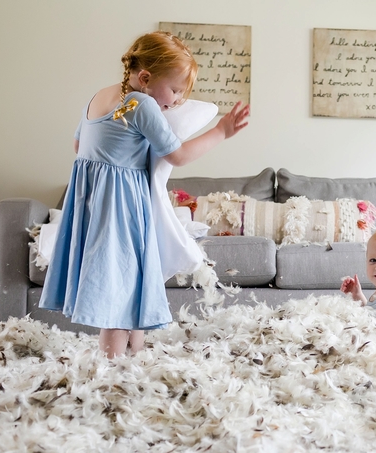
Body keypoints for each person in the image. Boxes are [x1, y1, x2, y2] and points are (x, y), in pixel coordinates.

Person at [39, 31, 250, 358]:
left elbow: (79, 146)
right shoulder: (141, 104)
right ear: (146, 77)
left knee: (130, 283)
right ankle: (112, 370)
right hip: (120, 206)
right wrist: (221, 131)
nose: (178, 100)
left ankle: (133, 360)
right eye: (176, 90)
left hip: (90, 204)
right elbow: (176, 155)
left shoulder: (99, 96)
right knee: (121, 292)